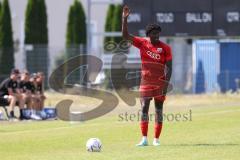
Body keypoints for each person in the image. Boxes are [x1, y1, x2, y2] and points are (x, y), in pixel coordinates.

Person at [122, 5, 172, 146]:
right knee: (144, 108)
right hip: (145, 82)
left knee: (158, 110)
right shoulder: (142, 43)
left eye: (158, 34)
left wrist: (166, 85)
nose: (156, 36)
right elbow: (125, 36)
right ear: (148, 34)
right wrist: (124, 19)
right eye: (154, 34)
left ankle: (156, 139)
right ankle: (144, 139)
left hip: (160, 83)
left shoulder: (165, 48)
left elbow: (170, 67)